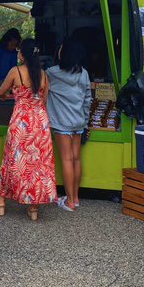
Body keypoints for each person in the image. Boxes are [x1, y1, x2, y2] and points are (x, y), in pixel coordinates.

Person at [0, 38, 57, 221]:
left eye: (19, 51)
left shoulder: (15, 71)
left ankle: (0, 203)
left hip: (21, 122)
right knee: (36, 165)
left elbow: (0, 92)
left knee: (11, 160)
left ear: (22, 55)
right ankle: (33, 209)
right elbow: (43, 101)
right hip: (40, 123)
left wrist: (8, 96)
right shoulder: (43, 74)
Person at [46, 38, 92, 211]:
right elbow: (87, 100)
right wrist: (85, 122)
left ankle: (69, 202)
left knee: (66, 159)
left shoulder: (50, 73)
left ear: (64, 52)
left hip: (62, 123)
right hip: (78, 121)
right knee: (76, 159)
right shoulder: (84, 73)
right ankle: (76, 198)